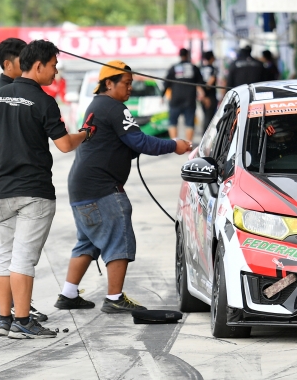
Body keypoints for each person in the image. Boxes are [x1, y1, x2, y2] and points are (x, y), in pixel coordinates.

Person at [54, 61, 193, 314]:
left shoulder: (96, 106)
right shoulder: (114, 108)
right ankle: (115, 298)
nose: (130, 89)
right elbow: (140, 141)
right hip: (102, 188)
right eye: (126, 84)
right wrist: (175, 145)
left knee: (88, 242)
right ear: (109, 83)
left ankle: (68, 293)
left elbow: (112, 145)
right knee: (119, 238)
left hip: (81, 188)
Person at [0, 40, 88, 339]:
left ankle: (4, 319)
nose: (55, 73)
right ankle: (23, 321)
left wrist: (6, 159)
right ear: (38, 65)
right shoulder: (44, 101)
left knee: (5, 256)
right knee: (23, 258)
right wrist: (85, 134)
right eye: (53, 66)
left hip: (4, 189)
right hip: (35, 191)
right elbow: (65, 145)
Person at [0, 38, 30, 319]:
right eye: (21, 60)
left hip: (9, 180)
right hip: (11, 180)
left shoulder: (7, 89)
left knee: (2, 239)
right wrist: (7, 160)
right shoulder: (3, 92)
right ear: (7, 64)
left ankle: (4, 300)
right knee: (2, 242)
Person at [164, 48, 202, 142]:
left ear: (179, 55)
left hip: (175, 98)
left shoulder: (173, 67)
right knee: (189, 122)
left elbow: (166, 83)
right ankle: (188, 146)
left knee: (172, 121)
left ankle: (174, 144)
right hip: (189, 98)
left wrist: (162, 95)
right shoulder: (194, 67)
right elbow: (200, 83)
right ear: (188, 55)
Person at [199, 51, 219, 134]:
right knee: (209, 118)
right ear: (211, 58)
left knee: (205, 116)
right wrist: (206, 96)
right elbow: (210, 82)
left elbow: (198, 83)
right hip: (210, 97)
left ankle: (204, 136)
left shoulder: (200, 68)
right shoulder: (213, 69)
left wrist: (202, 95)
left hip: (201, 96)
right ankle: (207, 137)